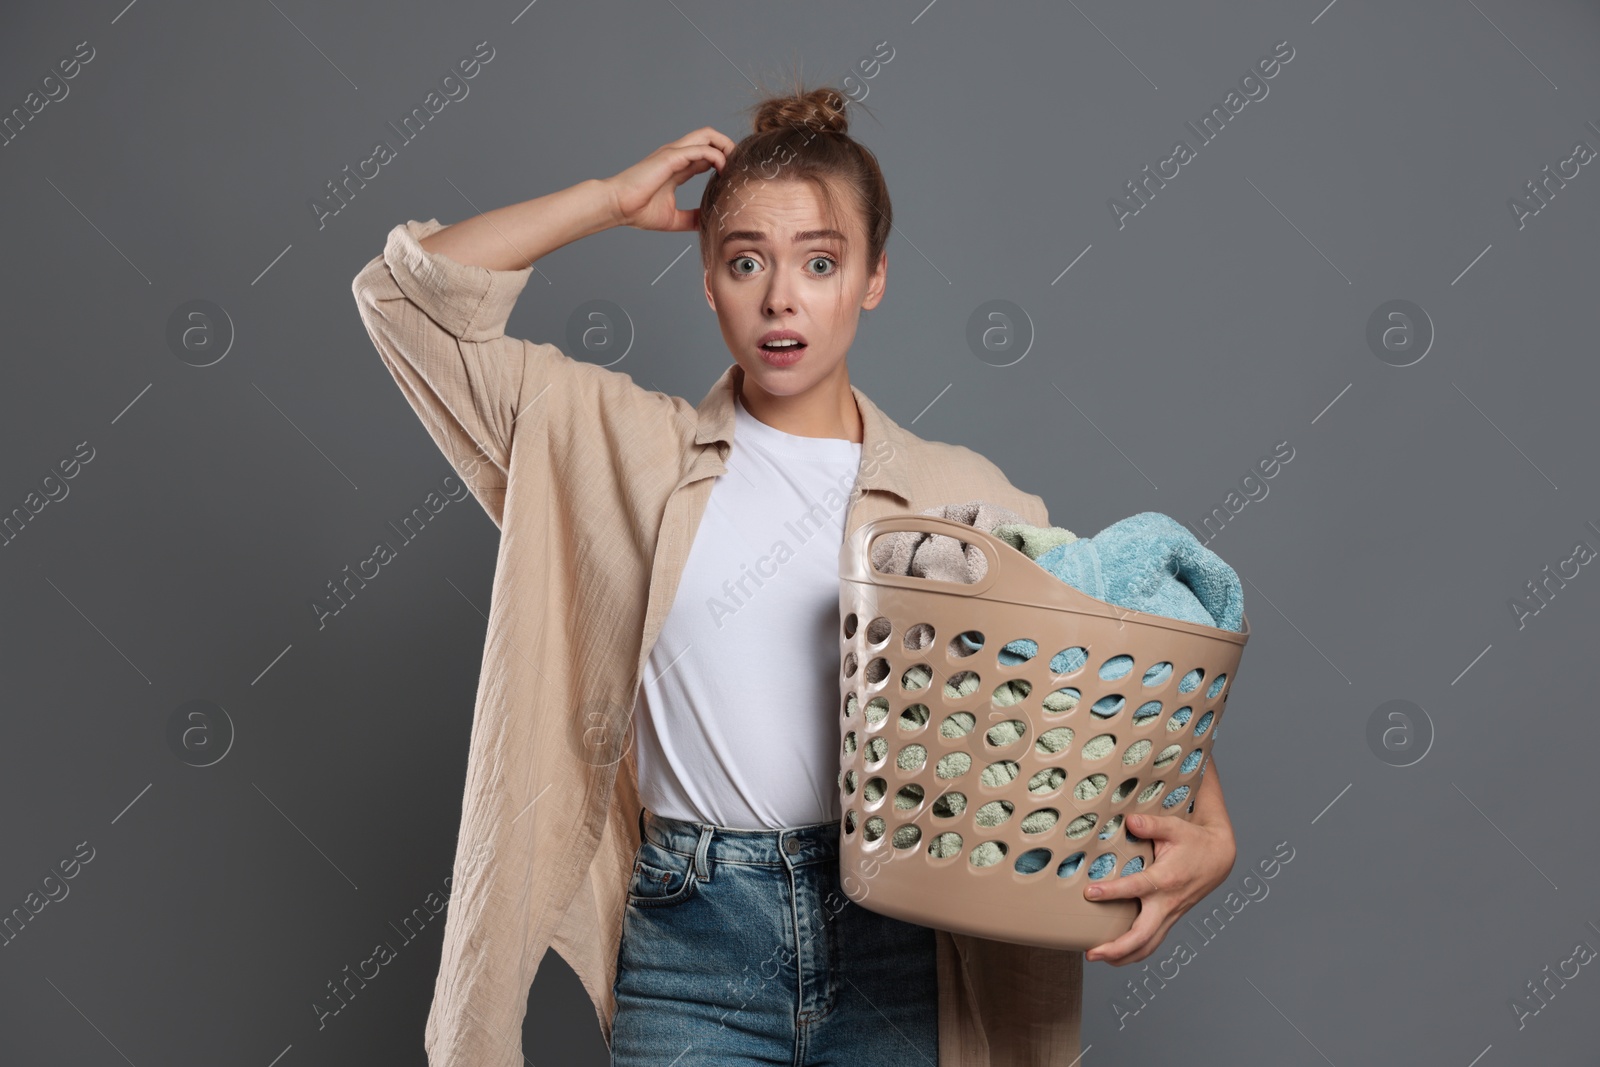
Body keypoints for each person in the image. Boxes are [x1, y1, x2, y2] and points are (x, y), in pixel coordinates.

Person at [351, 81, 1238, 1067]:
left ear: (872, 278)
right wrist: (609, 198)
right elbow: (407, 298)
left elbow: (1106, 676)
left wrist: (1211, 827)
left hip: (899, 940)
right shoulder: (618, 447)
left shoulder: (964, 496)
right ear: (705, 278)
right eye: (744, 261)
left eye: (819, 261)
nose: (781, 297)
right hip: (693, 947)